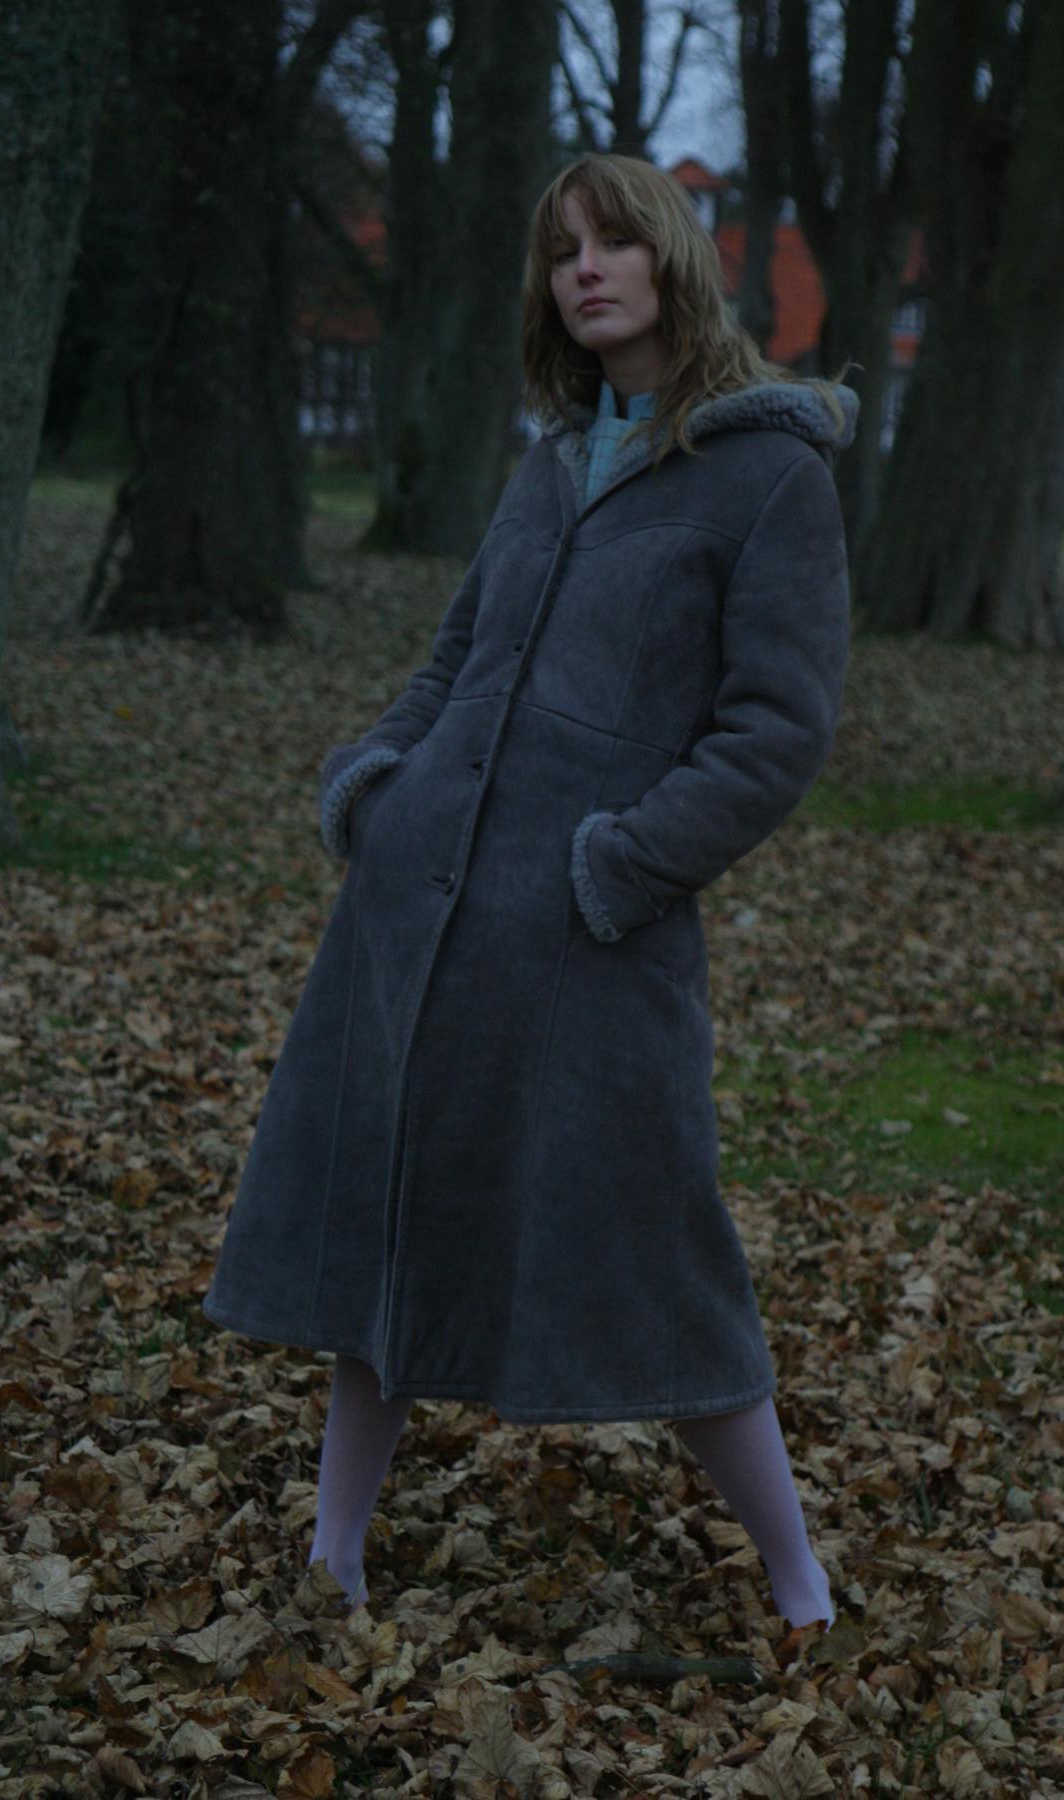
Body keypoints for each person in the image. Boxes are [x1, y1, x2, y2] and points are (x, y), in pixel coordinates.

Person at [202, 152, 857, 1634]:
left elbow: (777, 732)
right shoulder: (552, 460)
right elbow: (454, 661)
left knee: (654, 1249)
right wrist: (373, 782)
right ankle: (336, 1556)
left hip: (589, 941)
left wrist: (620, 864)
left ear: (672, 258)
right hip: (416, 913)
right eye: (564, 248)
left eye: (615, 239)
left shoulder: (769, 476)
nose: (587, 268)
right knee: (386, 1220)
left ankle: (800, 1581)